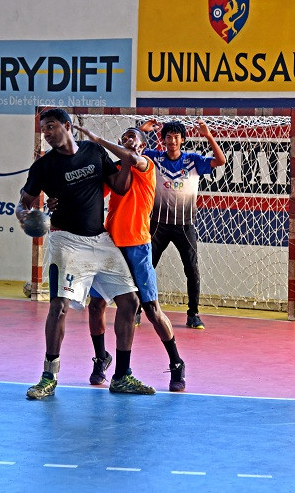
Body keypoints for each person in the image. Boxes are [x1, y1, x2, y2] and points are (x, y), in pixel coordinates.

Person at [17, 107, 155, 400]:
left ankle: (122, 376)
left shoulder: (93, 152)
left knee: (130, 301)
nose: (46, 132)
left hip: (100, 240)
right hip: (66, 242)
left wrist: (129, 162)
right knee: (59, 306)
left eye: (51, 126)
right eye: (44, 128)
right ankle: (48, 376)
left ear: (67, 126)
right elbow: (23, 203)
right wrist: (26, 215)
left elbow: (119, 187)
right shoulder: (43, 167)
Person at [74, 122, 186, 392]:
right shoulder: (114, 171)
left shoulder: (145, 164)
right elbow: (90, 194)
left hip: (137, 247)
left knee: (150, 310)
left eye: (133, 137)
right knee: (96, 305)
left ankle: (176, 361)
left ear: (143, 146)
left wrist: (98, 139)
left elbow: (133, 158)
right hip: (109, 246)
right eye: (124, 137)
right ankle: (102, 358)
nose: (128, 140)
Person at [144, 119, 226, 330]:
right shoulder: (154, 157)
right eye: (169, 137)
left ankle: (193, 314)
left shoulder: (193, 160)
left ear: (183, 140)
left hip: (185, 225)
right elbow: (131, 151)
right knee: (145, 267)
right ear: (163, 140)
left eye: (177, 137)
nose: (173, 141)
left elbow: (221, 160)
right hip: (158, 225)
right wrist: (141, 131)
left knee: (192, 269)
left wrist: (208, 135)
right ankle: (137, 310)